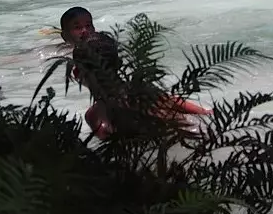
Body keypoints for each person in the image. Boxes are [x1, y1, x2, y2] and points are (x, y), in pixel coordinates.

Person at [73, 32, 210, 140]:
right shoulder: (144, 91)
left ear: (76, 73)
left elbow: (115, 154)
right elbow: (202, 113)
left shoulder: (96, 115)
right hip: (196, 135)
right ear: (119, 64)